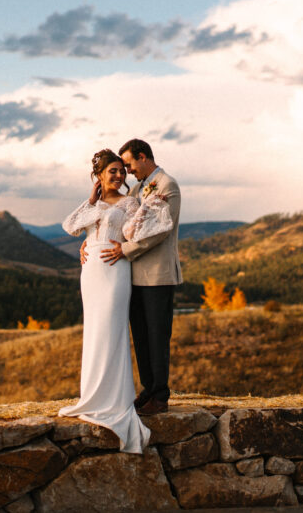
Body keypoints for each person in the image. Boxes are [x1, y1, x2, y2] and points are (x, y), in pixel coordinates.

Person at [59, 148, 173, 452]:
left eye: (122, 170)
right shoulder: (93, 202)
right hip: (91, 272)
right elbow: (71, 226)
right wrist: (91, 203)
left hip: (115, 269)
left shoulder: (130, 201)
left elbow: (138, 230)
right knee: (95, 333)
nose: (120, 175)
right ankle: (93, 397)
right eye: (113, 171)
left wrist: (151, 209)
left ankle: (115, 400)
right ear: (99, 176)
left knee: (113, 331)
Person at [86, 139, 182, 416]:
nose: (127, 171)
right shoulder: (139, 188)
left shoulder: (167, 186)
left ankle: (161, 396)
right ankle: (148, 390)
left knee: (157, 335)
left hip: (157, 274)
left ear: (142, 157)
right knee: (141, 335)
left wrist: (124, 250)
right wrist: (90, 242)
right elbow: (122, 223)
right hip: (134, 274)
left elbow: (160, 231)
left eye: (128, 164)